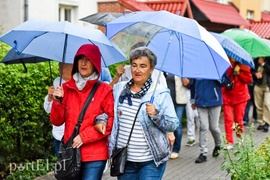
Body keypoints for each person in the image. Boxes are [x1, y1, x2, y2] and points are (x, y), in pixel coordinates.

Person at [109, 47, 179, 179]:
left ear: (151, 69)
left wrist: (156, 115)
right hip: (125, 159)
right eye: (134, 65)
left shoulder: (160, 93)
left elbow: (173, 124)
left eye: (143, 66)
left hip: (151, 161)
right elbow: (105, 109)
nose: (137, 70)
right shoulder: (119, 89)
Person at [50, 44, 114, 180]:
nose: (83, 63)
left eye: (88, 60)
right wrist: (57, 102)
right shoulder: (66, 88)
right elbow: (56, 121)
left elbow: (110, 120)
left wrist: (85, 136)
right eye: (80, 59)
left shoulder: (104, 90)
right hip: (70, 152)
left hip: (94, 155)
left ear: (95, 63)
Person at [191, 75, 230, 163]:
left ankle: (218, 144)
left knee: (214, 127)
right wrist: (193, 100)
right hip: (200, 102)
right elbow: (193, 85)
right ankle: (203, 153)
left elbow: (226, 82)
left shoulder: (215, 68)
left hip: (215, 101)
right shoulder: (197, 70)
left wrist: (218, 78)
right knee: (203, 127)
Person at [222, 57, 252, 149]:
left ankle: (240, 139)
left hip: (240, 96)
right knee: (228, 119)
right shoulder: (226, 62)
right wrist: (232, 68)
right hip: (227, 95)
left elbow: (248, 80)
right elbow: (224, 76)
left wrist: (239, 72)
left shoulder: (244, 64)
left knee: (238, 119)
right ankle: (229, 142)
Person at [43, 62, 73, 157]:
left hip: (74, 134)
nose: (59, 69)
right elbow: (48, 110)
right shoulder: (57, 82)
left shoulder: (80, 84)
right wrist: (50, 97)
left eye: (61, 67)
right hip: (59, 133)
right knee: (61, 165)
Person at [165, 74, 190, 159]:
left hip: (180, 101)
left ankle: (176, 149)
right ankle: (167, 149)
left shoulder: (182, 69)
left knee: (177, 126)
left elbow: (190, 85)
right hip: (168, 101)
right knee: (167, 126)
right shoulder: (166, 70)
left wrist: (185, 80)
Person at [252, 57, 270, 132]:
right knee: (258, 105)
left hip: (267, 87)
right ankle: (261, 122)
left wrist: (263, 64)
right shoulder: (255, 60)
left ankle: (267, 123)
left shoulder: (268, 60)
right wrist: (255, 74)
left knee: (267, 104)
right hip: (258, 86)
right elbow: (251, 71)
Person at [185, 82, 199, 146]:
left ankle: (201, 137)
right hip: (189, 91)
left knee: (199, 117)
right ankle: (191, 137)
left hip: (199, 91)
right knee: (190, 116)